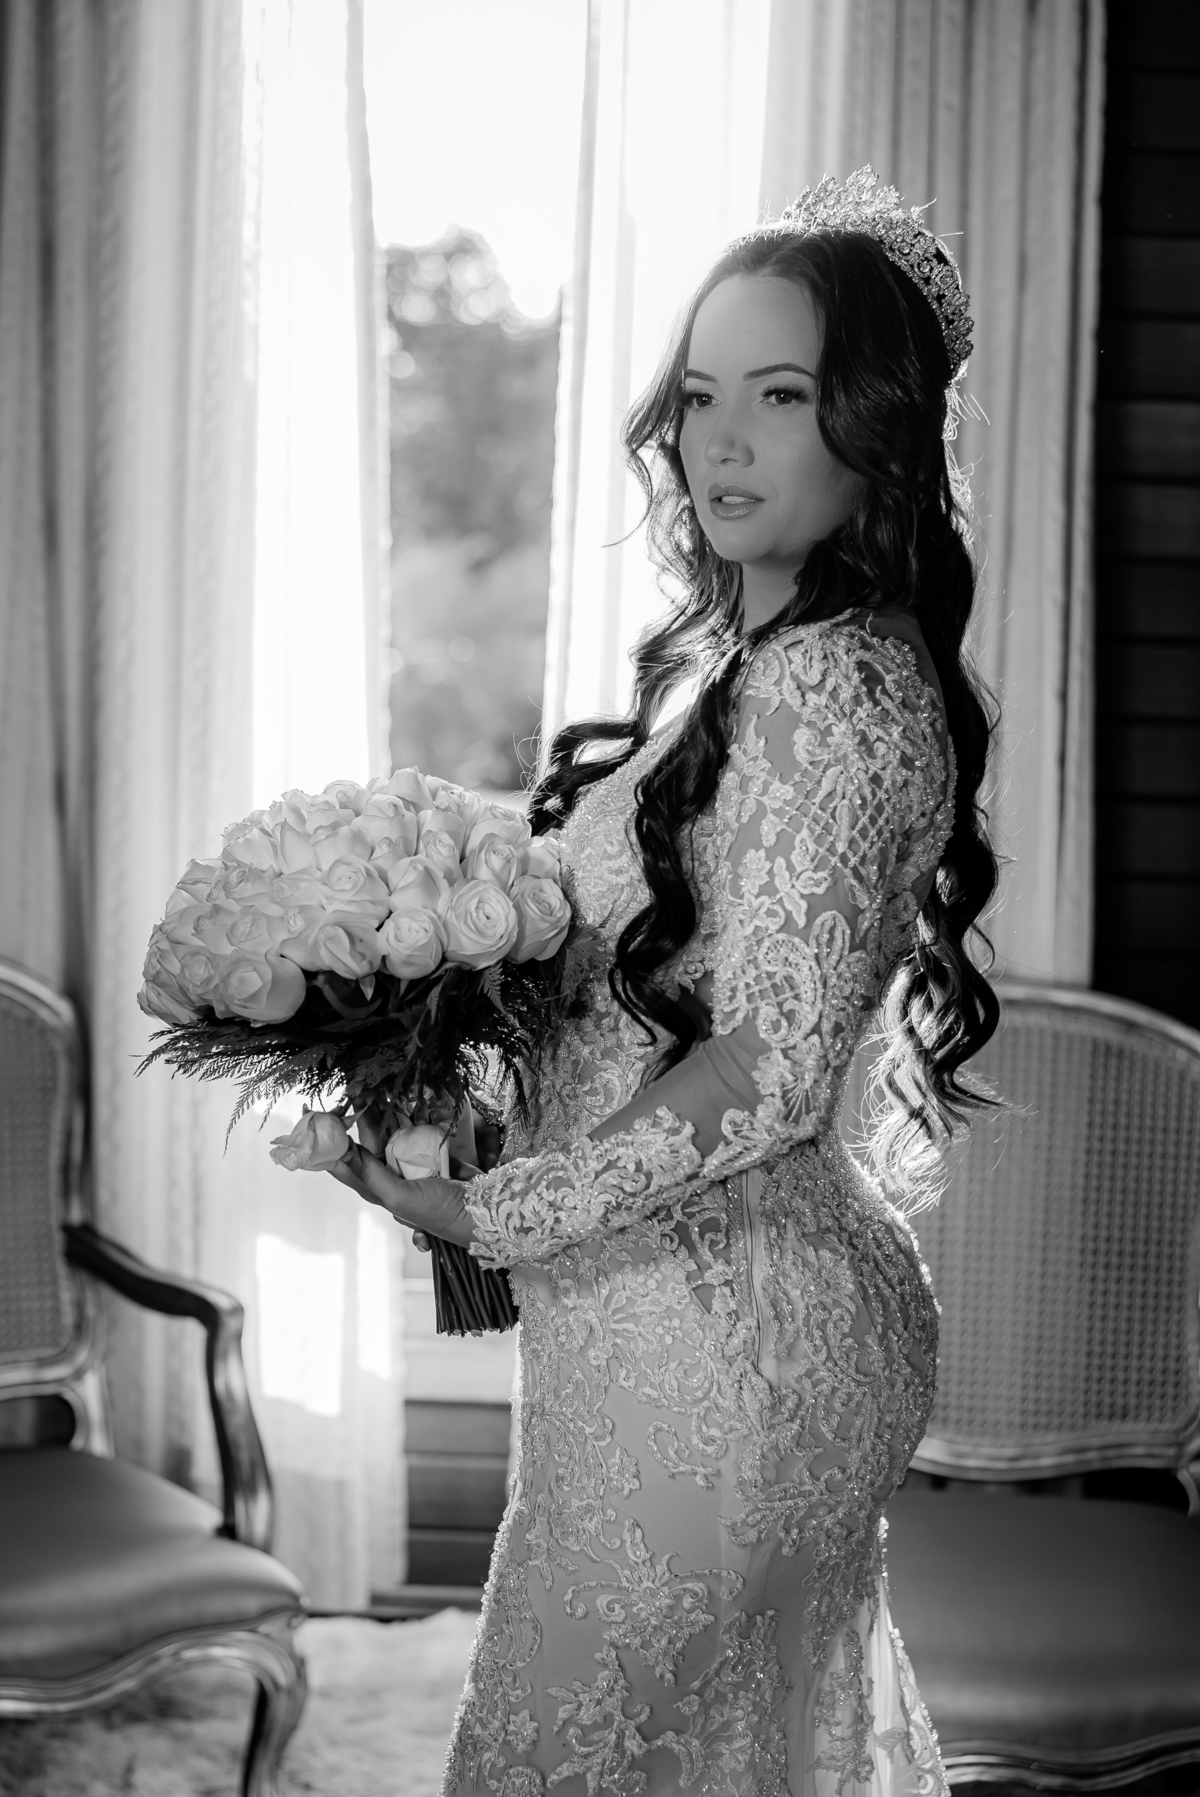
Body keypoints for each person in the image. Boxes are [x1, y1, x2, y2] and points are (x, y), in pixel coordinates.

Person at [330, 168, 1000, 1796]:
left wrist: (493, 1210)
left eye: (781, 395)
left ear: (876, 425)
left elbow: (766, 1072)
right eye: (701, 396)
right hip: (676, 1307)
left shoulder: (826, 689)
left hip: (721, 1344)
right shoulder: (762, 663)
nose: (722, 443)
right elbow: (662, 996)